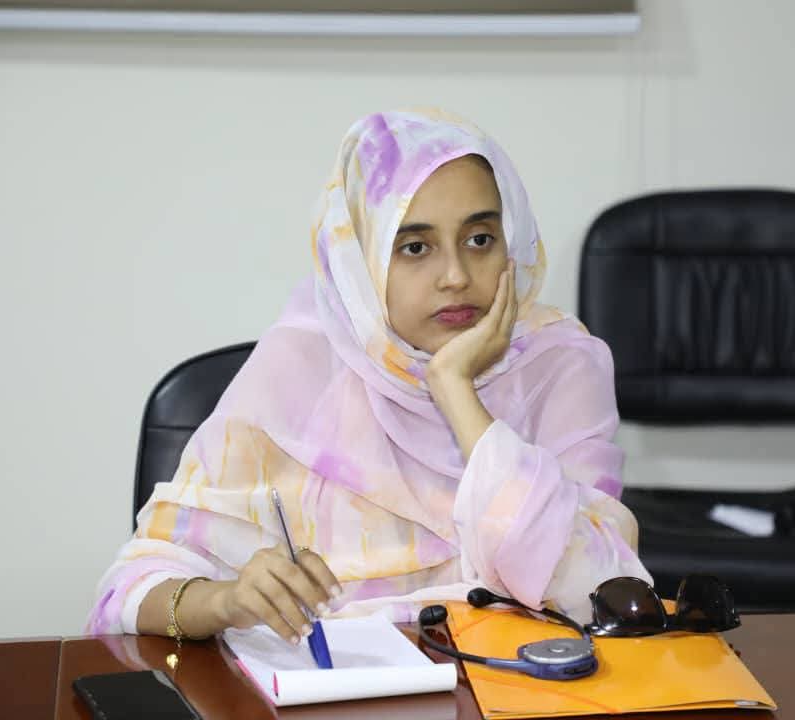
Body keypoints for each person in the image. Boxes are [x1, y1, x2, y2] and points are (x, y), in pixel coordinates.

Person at [85, 108, 651, 646]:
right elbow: (127, 592)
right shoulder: (297, 369)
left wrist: (455, 391)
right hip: (330, 689)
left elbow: (600, 591)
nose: (455, 276)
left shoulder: (559, 363)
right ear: (360, 262)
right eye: (415, 247)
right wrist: (226, 601)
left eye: (479, 239)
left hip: (515, 685)